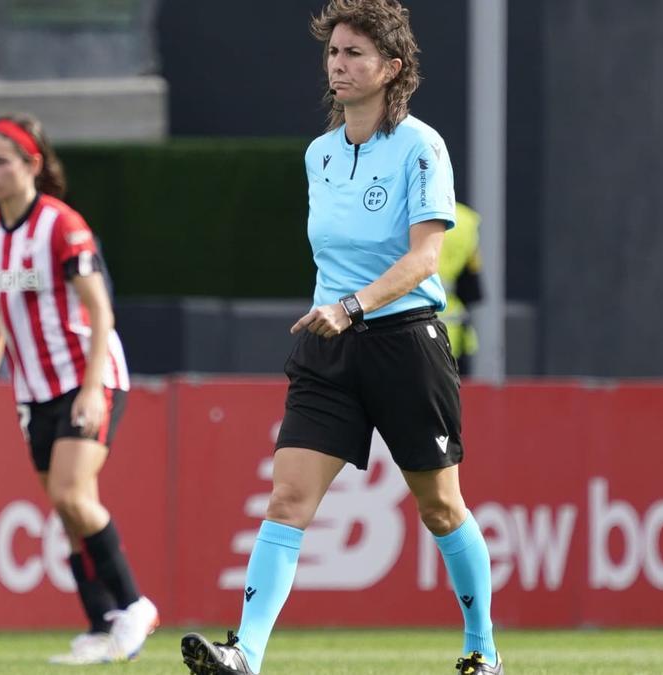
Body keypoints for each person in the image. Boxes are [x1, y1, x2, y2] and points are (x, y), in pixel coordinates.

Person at [179, 1, 503, 674]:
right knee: (287, 498)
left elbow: (422, 259)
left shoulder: (422, 146)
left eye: (356, 52)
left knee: (441, 506)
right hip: (328, 348)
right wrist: (339, 313)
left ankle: (483, 651)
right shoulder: (319, 155)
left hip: (405, 342)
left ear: (392, 67)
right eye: (334, 52)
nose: (339, 63)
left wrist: (353, 306)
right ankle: (246, 654)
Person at [0, 114, 158, 665]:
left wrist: (88, 387)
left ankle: (134, 606)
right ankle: (100, 623)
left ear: (31, 165)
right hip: (33, 390)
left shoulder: (60, 225)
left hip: (89, 377)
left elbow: (100, 310)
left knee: (70, 494)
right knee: (67, 510)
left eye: (0, 161)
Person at [438, 202, 483, 376]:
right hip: (452, 333)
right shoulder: (464, 220)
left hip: (399, 332)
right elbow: (472, 289)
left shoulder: (395, 211)